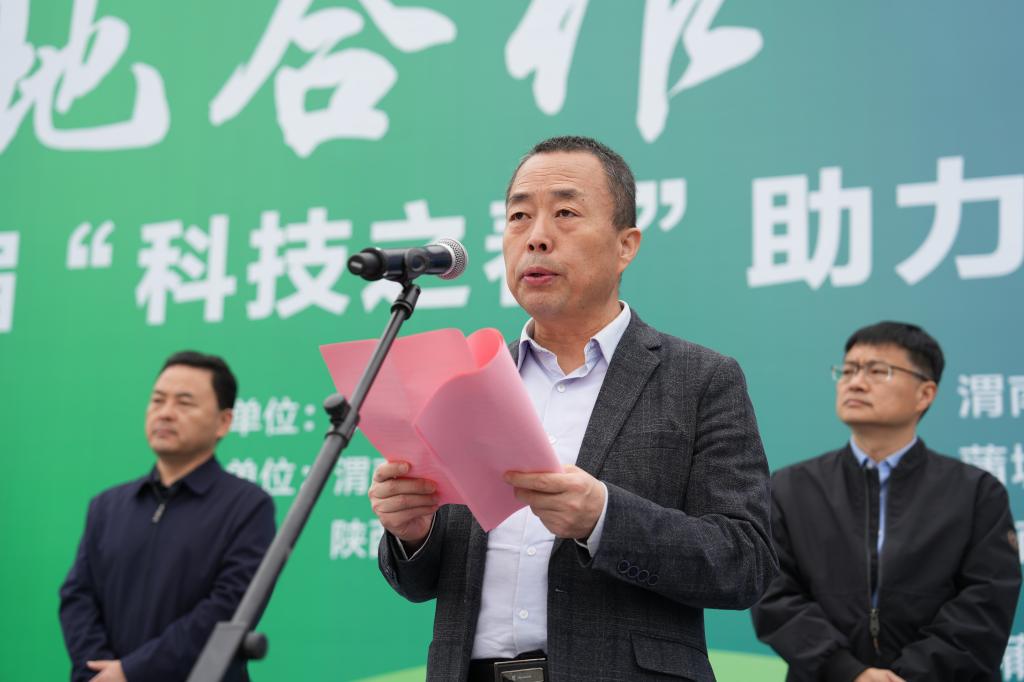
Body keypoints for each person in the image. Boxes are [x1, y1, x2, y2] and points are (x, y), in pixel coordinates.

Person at [369, 135, 777, 681]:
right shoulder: (466, 381)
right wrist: (413, 533)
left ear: (626, 245)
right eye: (519, 216)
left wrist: (603, 519)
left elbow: (744, 562)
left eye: (565, 213)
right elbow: (421, 583)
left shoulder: (699, 379)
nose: (536, 237)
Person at [751, 322, 1021, 682]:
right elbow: (773, 595)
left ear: (925, 394)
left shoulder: (977, 493)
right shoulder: (791, 488)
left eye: (878, 371)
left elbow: (986, 602)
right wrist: (848, 671)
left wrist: (910, 674)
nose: (855, 382)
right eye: (848, 370)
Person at [59, 351, 276, 682]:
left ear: (224, 422)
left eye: (184, 403)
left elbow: (230, 608)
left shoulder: (248, 506)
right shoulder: (107, 506)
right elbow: (78, 597)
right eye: (158, 400)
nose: (165, 413)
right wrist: (99, 672)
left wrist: (132, 672)